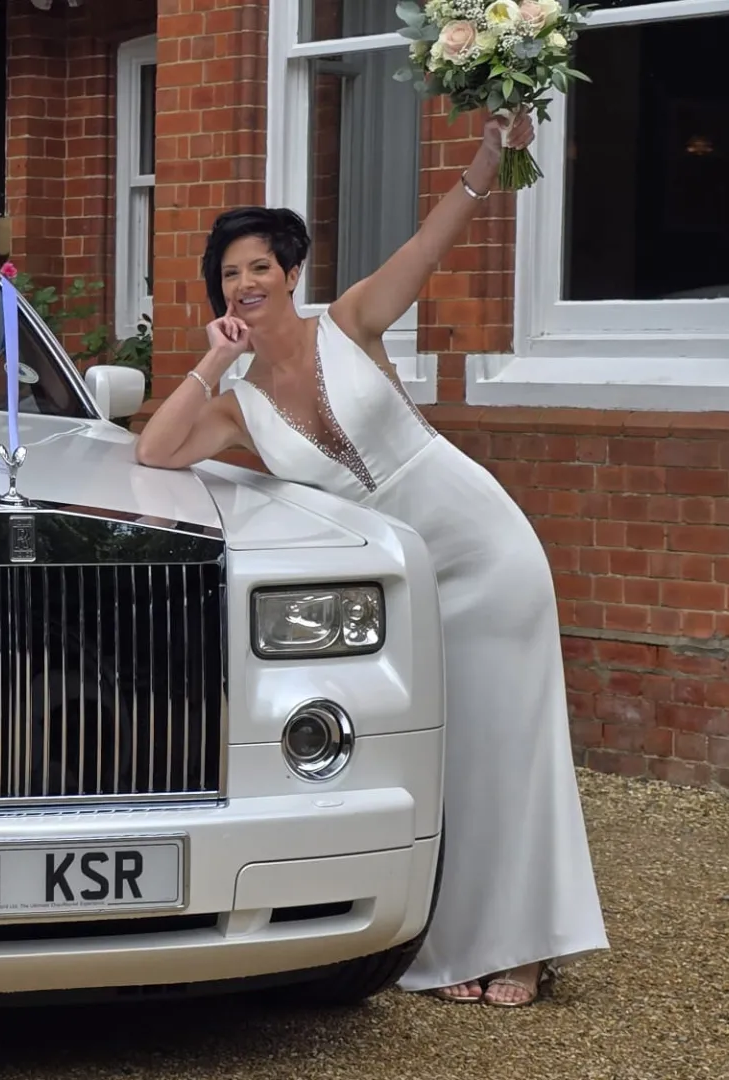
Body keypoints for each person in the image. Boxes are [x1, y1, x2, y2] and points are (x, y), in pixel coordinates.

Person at [133, 114, 608, 1008]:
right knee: (452, 755)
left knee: (514, 743)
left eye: (259, 267)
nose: (246, 284)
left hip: (484, 543)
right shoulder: (234, 408)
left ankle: (531, 947)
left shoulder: (351, 320)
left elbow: (434, 240)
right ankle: (464, 941)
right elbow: (155, 453)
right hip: (411, 577)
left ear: (291, 272)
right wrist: (207, 359)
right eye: (230, 276)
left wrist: (489, 152)